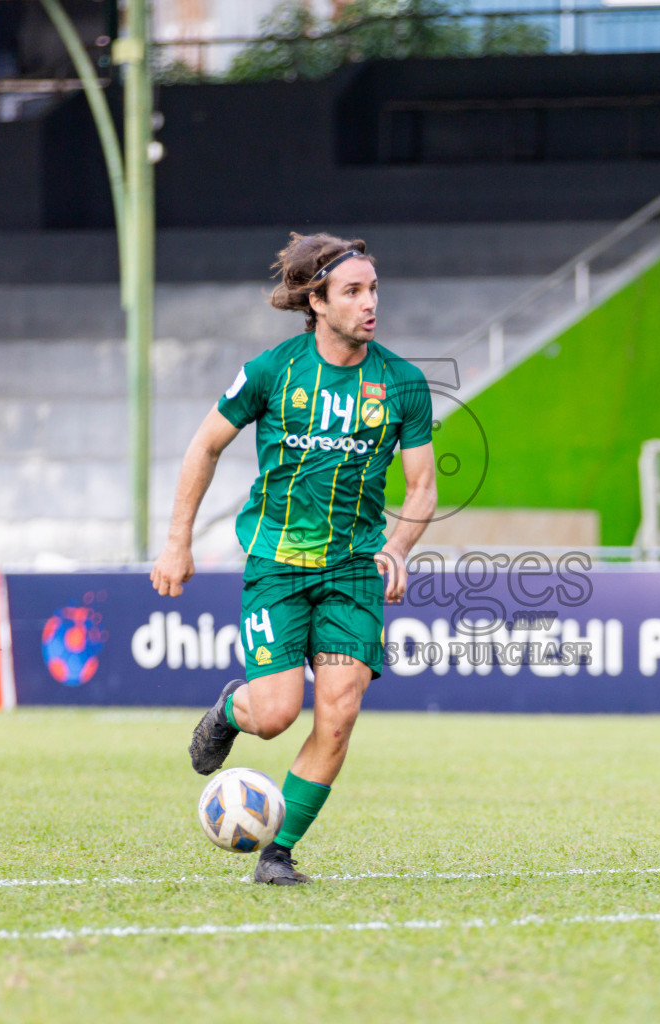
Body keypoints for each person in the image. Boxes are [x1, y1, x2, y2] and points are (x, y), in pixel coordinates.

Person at [151, 233, 438, 885]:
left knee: (338, 716)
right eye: (353, 291)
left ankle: (276, 854)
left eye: (373, 289)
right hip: (278, 566)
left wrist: (396, 548)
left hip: (352, 573)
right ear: (317, 301)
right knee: (276, 715)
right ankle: (232, 709)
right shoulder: (272, 371)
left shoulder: (402, 383)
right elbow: (204, 446)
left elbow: (422, 486)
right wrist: (177, 541)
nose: (370, 303)